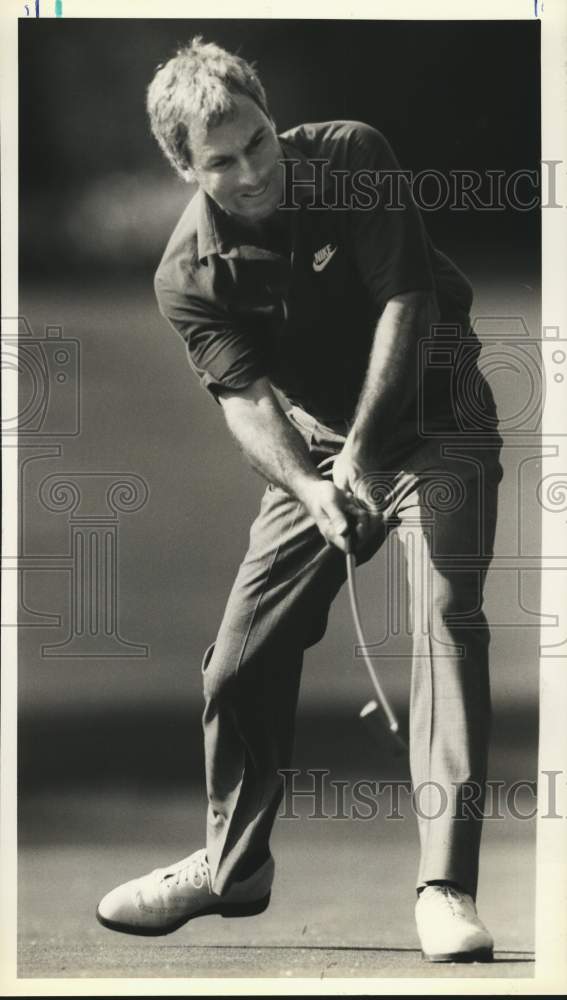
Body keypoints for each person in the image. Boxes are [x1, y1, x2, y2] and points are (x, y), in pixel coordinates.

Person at [96, 37, 503, 962]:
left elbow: (407, 301)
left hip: (438, 422)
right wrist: (319, 486)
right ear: (185, 170)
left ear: (272, 119)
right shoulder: (186, 276)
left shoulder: (352, 156)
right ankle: (231, 865)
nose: (251, 172)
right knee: (237, 661)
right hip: (316, 449)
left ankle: (445, 886)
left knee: (446, 612)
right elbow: (246, 403)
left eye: (259, 142)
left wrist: (361, 454)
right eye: (221, 162)